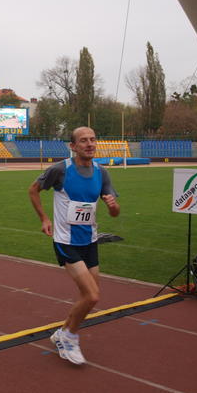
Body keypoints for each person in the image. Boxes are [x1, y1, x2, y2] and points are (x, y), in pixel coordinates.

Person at [28, 126, 120, 365]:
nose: (89, 144)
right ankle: (69, 337)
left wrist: (112, 206)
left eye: (93, 139)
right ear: (73, 146)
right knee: (92, 296)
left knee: (89, 296)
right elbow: (33, 190)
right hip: (66, 241)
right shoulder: (60, 170)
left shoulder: (102, 172)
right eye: (83, 140)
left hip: (90, 241)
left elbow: (115, 213)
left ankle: (62, 332)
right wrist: (44, 219)